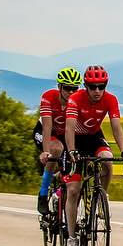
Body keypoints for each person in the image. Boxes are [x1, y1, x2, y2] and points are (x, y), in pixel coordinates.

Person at [62, 65, 123, 246]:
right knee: (74, 189)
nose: (97, 91)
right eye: (93, 87)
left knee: (108, 160)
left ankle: (102, 194)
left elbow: (117, 128)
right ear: (85, 86)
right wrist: (71, 151)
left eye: (101, 86)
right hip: (75, 140)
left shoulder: (110, 99)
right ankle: (72, 239)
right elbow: (68, 128)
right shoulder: (76, 99)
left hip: (94, 137)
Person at [34, 66, 80, 217]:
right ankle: (43, 192)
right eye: (67, 88)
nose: (71, 92)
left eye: (75, 89)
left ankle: (59, 184)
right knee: (56, 149)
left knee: (74, 162)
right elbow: (47, 127)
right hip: (45, 132)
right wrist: (45, 151)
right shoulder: (48, 97)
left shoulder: (77, 101)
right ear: (59, 87)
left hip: (64, 135)